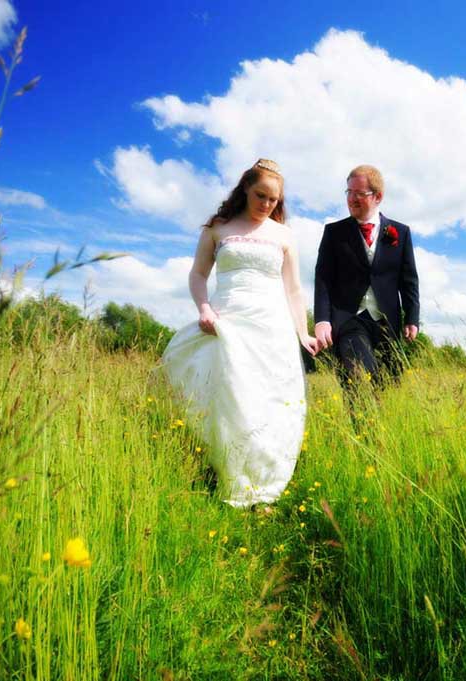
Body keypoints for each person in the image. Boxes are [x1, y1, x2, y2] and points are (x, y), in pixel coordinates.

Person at [161, 159, 318, 508]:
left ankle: (264, 479)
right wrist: (204, 307)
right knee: (232, 397)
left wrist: (302, 333)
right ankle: (225, 470)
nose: (266, 204)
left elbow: (293, 290)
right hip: (228, 321)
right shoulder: (218, 228)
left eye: (273, 200)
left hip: (272, 327)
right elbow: (198, 275)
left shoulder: (284, 236)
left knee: (270, 401)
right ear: (245, 188)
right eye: (260, 195)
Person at [313, 164, 420, 385]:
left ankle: (365, 420)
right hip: (348, 318)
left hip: (386, 322)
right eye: (349, 192)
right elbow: (323, 279)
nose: (351, 198)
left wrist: (411, 318)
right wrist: (322, 319)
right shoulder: (334, 233)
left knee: (385, 384)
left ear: (378, 196)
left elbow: (408, 280)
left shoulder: (400, 232)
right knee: (361, 374)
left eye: (359, 194)